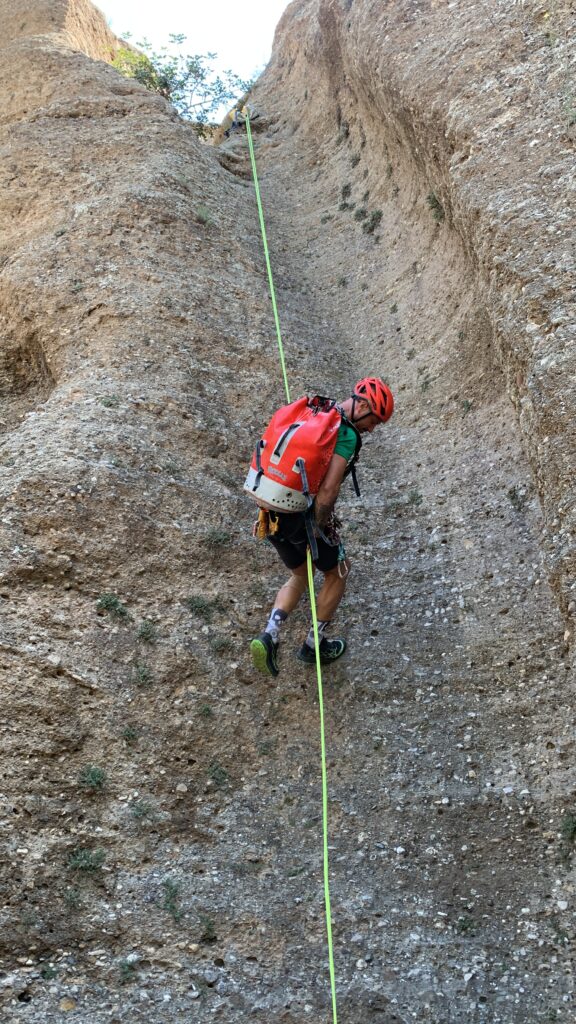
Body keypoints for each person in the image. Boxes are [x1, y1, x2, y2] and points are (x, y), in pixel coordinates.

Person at [249, 377, 394, 677]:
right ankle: (314, 645)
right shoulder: (345, 433)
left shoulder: (315, 410)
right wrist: (320, 528)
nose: (373, 428)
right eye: (374, 420)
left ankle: (269, 634)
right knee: (338, 571)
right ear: (363, 405)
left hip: (268, 508)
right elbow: (328, 490)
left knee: (299, 576)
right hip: (300, 516)